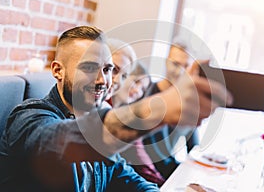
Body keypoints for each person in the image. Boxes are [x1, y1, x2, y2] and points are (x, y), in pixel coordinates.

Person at [0, 26, 232, 191]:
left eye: (109, 69)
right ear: (58, 71)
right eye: (90, 67)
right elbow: (60, 143)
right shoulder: (29, 116)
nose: (103, 80)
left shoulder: (94, 122)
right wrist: (153, 112)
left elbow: (126, 177)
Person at [107, 39, 165, 186]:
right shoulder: (107, 110)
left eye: (142, 89)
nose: (137, 91)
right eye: (136, 82)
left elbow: (135, 159)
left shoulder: (120, 110)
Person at [143, 38, 201, 179]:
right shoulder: (145, 94)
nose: (180, 71)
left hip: (167, 174)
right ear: (166, 62)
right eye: (175, 64)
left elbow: (194, 148)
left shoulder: (188, 105)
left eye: (186, 66)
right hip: (144, 176)